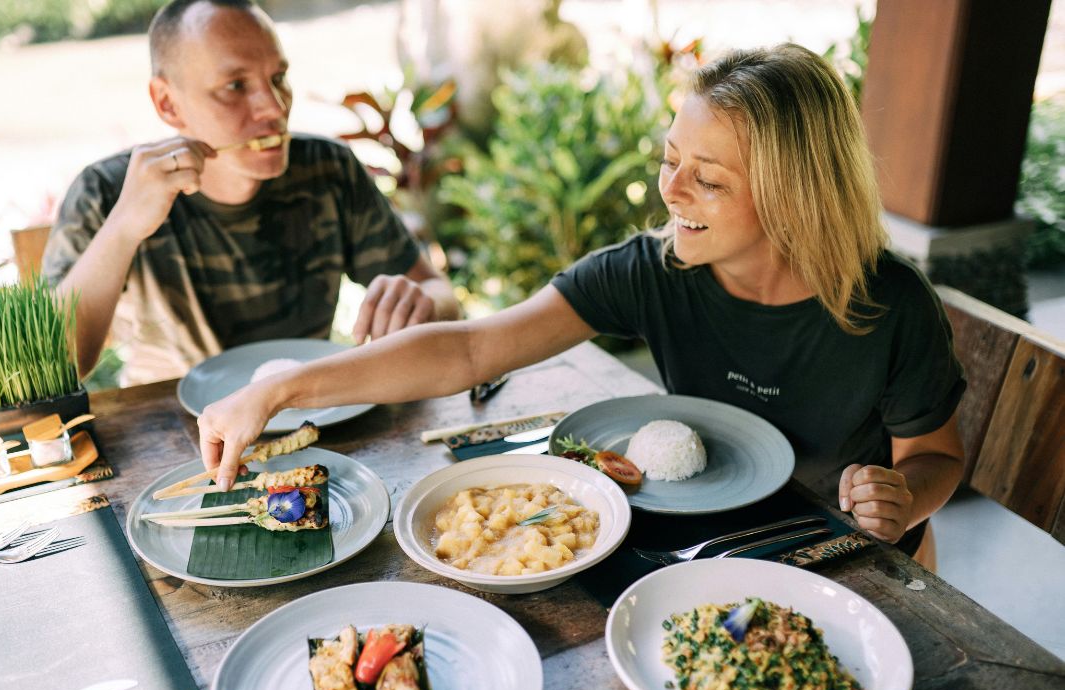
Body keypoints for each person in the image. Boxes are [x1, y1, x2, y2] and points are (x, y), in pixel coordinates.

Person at [196, 43, 966, 565]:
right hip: (710, 537)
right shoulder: (653, 268)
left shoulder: (889, 306)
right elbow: (469, 349)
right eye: (670, 160)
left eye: (708, 179)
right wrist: (280, 389)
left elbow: (936, 458)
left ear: (792, 194)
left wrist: (901, 498)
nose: (671, 191)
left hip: (850, 556)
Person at [42, 0, 460, 385]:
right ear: (167, 103)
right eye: (236, 86)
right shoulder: (108, 192)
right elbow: (57, 362)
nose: (275, 108)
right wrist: (123, 228)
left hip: (309, 407)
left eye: (278, 78)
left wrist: (419, 301)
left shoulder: (326, 169)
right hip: (171, 428)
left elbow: (444, 299)